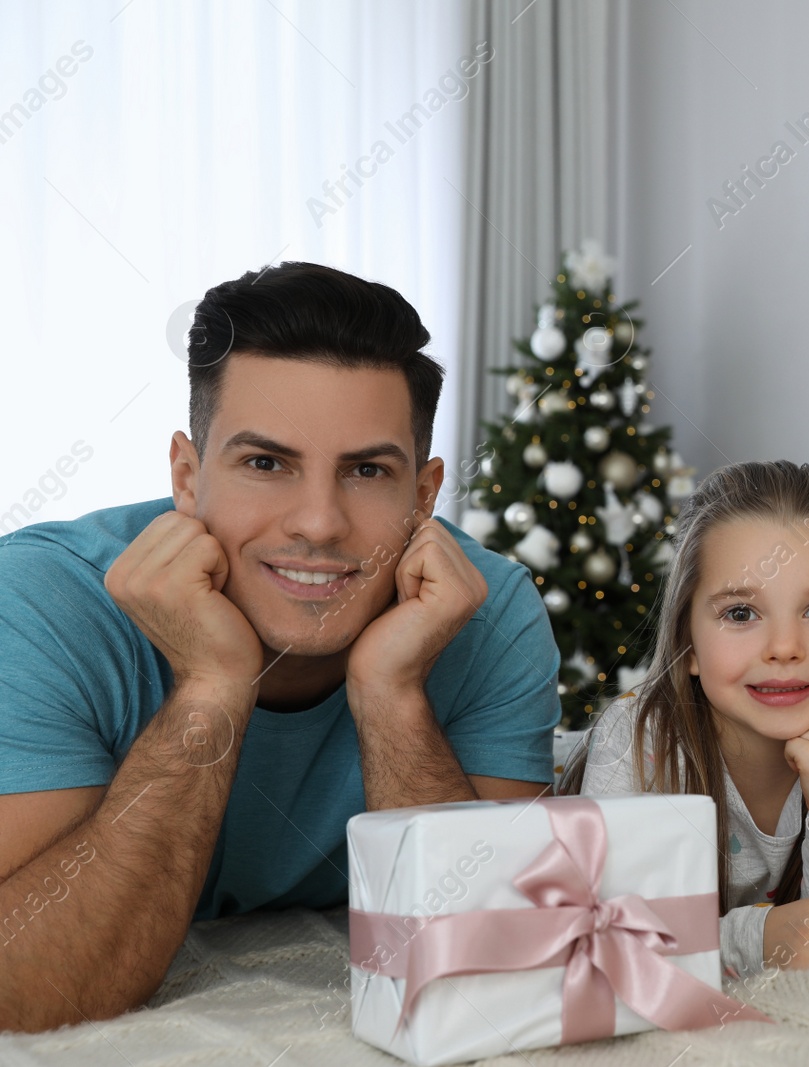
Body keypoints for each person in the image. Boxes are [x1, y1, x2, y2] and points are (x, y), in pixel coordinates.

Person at [0, 263, 561, 1032]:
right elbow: (26, 987)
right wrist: (210, 683)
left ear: (425, 495)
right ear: (188, 478)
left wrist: (393, 694)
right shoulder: (42, 599)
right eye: (266, 463)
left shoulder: (489, 613)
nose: (319, 523)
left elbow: (500, 973)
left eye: (367, 470)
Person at [575, 460, 809, 979]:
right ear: (690, 644)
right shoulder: (637, 738)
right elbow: (606, 943)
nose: (784, 648)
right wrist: (760, 940)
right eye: (740, 613)